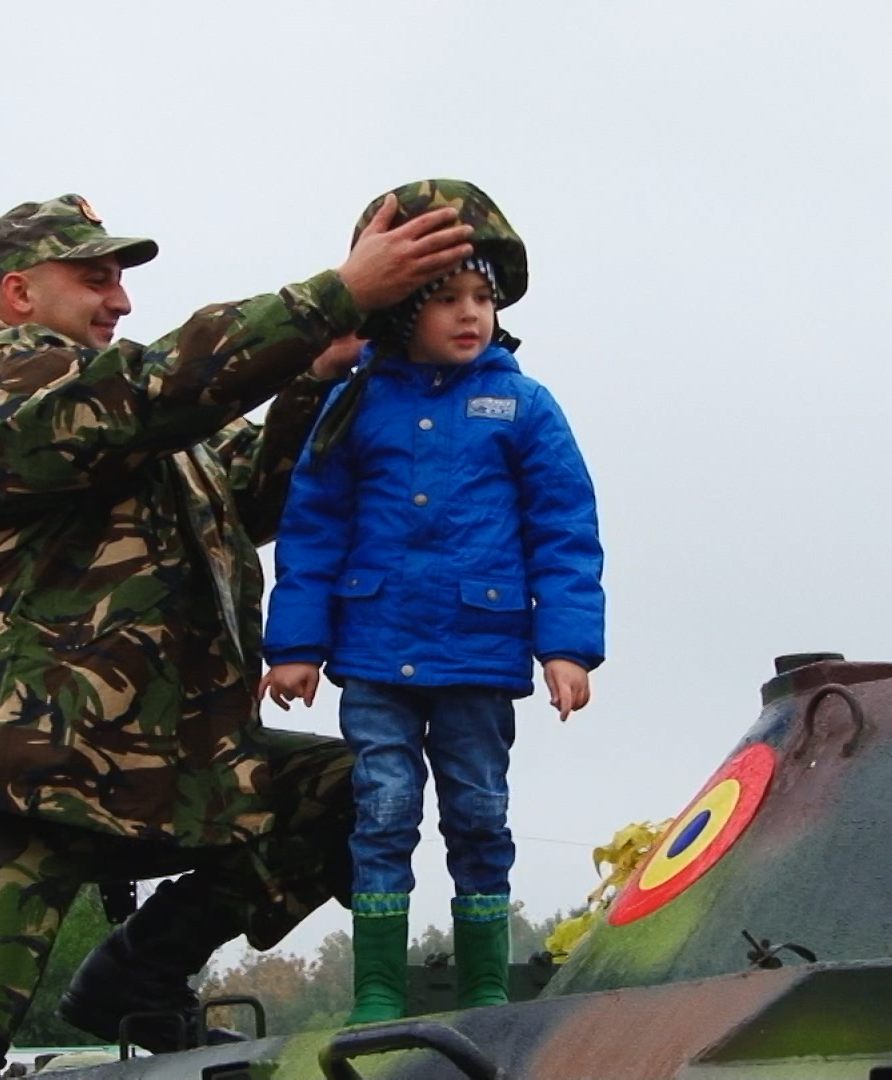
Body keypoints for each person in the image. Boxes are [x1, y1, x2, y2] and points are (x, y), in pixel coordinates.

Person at [0, 192, 474, 1078]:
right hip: (13, 794)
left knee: (363, 789)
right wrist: (335, 295)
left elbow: (262, 490)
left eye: (119, 281)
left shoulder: (162, 438)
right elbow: (155, 391)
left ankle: (140, 974)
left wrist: (315, 378)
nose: (120, 300)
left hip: (171, 770)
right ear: (18, 294)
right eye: (95, 280)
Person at [259, 180, 606, 1024]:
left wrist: (567, 646)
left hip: (478, 651)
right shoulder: (355, 403)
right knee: (381, 811)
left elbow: (565, 529)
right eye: (447, 298)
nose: (470, 314)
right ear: (402, 310)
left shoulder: (524, 406)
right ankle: (378, 986)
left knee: (479, 813)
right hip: (375, 651)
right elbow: (313, 526)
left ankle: (484, 984)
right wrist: (295, 646)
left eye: (482, 298)